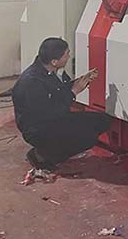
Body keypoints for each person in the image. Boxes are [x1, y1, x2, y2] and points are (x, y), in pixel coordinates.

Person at [12, 37, 110, 170]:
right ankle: (41, 155)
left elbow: (58, 91)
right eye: (66, 54)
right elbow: (51, 112)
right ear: (54, 61)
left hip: (53, 118)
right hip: (38, 128)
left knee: (102, 121)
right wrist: (73, 92)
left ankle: (52, 150)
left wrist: (80, 81)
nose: (69, 56)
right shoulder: (32, 83)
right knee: (88, 138)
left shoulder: (51, 70)